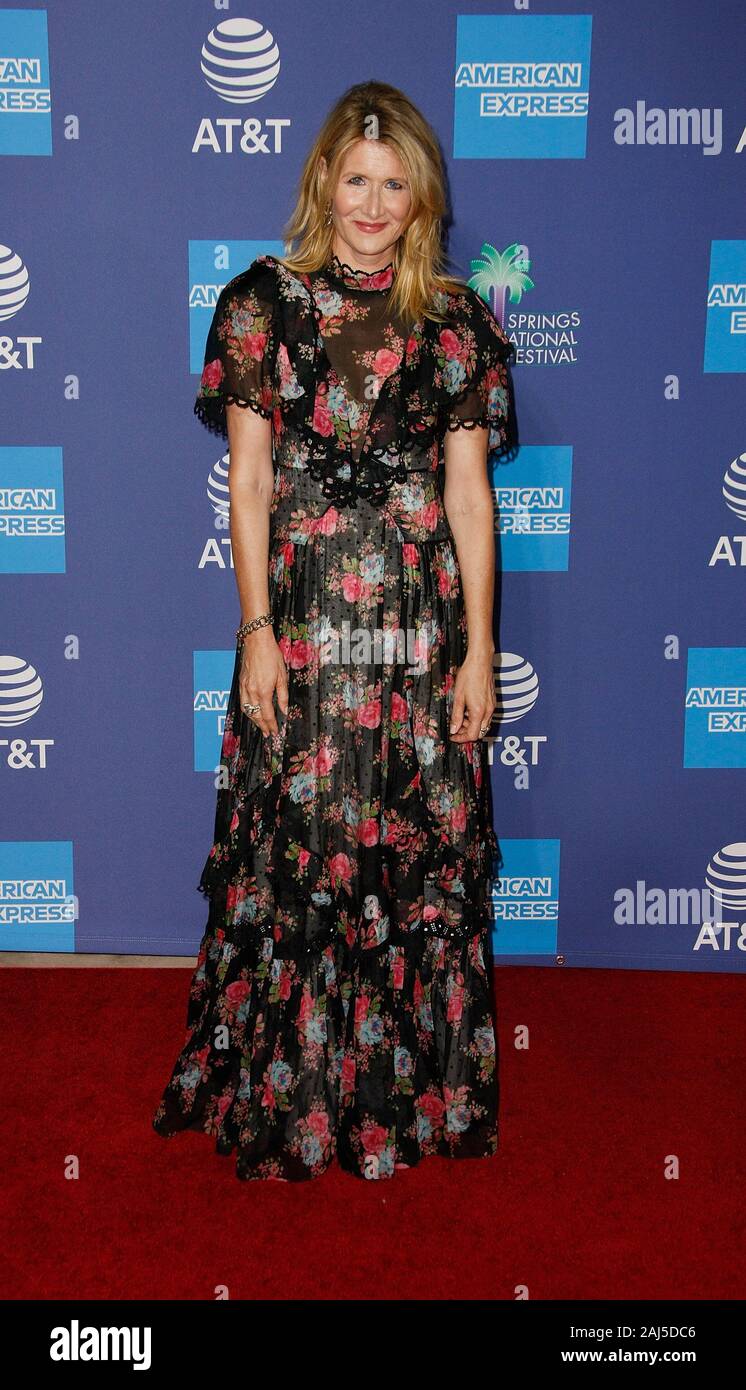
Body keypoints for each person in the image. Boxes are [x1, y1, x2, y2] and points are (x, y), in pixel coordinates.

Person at [152, 80, 517, 1182]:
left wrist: (478, 646)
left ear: (420, 199)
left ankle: (411, 1089)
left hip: (414, 619)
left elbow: (467, 498)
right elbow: (251, 478)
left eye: (393, 185)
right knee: (298, 849)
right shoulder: (259, 305)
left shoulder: (453, 323)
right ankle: (292, 1085)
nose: (370, 202)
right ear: (321, 178)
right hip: (304, 618)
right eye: (354, 180)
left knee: (413, 845)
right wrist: (255, 628)